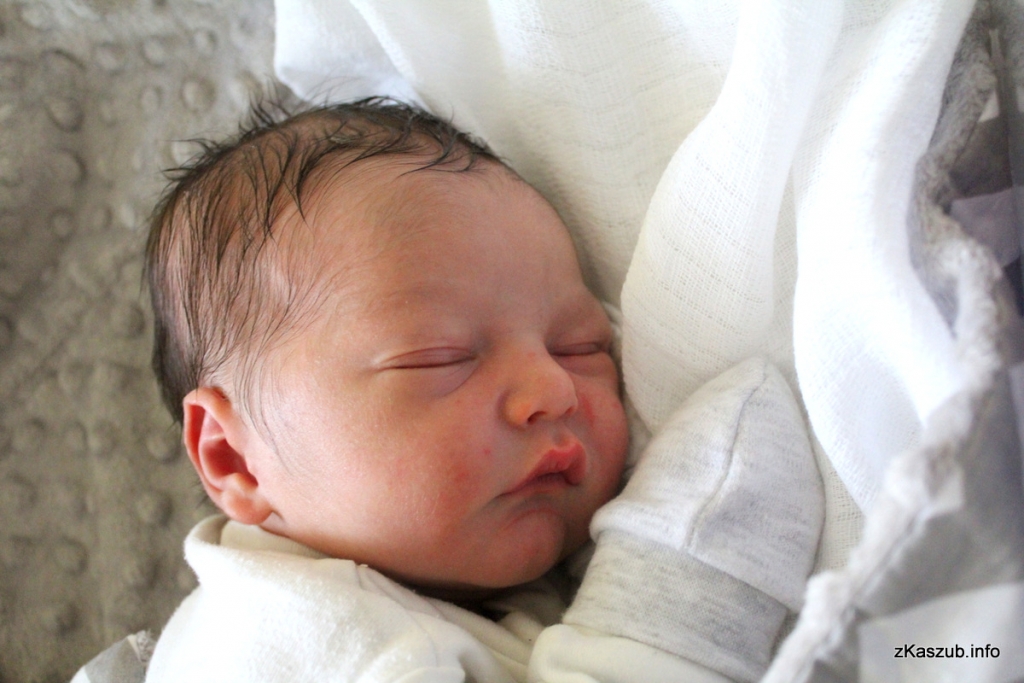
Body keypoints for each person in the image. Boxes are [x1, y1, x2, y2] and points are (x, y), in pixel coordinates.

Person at [75, 97, 823, 683]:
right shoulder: (296, 640)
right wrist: (666, 624)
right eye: (438, 359)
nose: (553, 387)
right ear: (235, 458)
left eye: (583, 346)